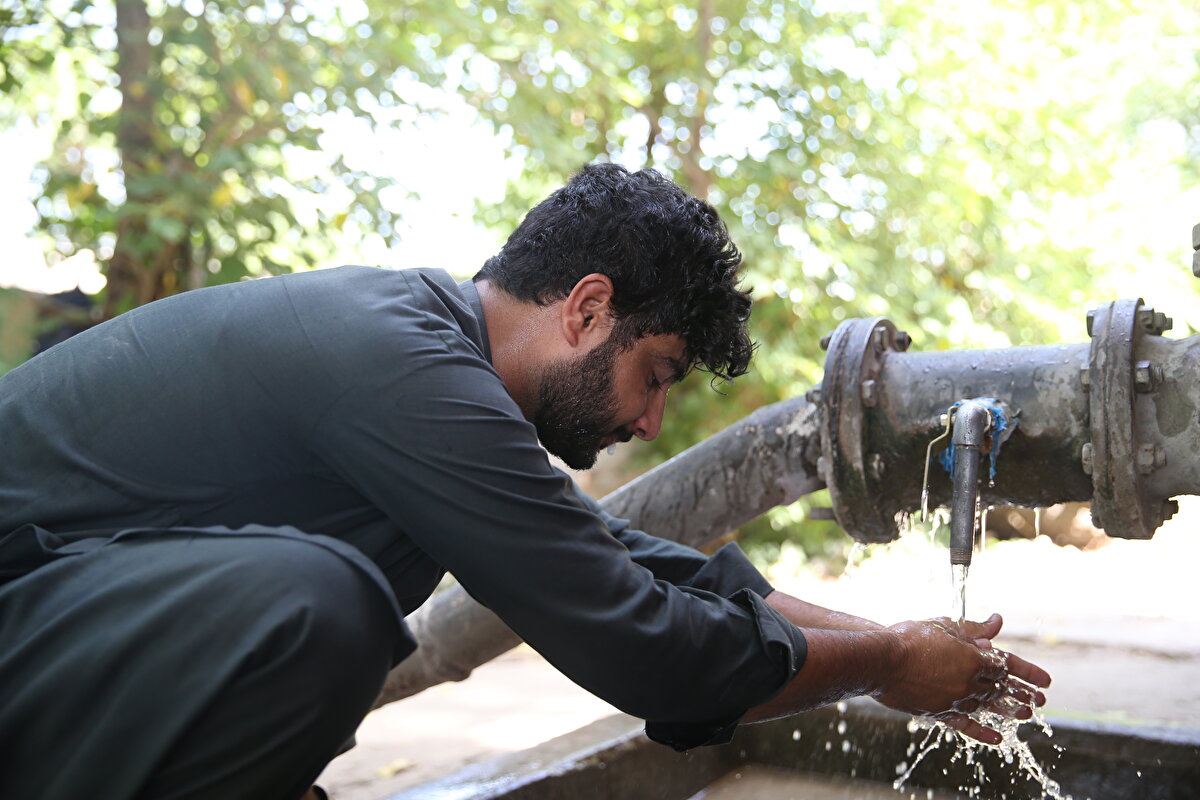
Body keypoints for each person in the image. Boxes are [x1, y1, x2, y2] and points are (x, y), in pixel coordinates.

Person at [0, 163, 1049, 800]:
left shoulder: (431, 371)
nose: (645, 419)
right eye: (655, 376)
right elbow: (640, 637)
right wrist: (883, 662)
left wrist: (902, 645)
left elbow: (634, 564)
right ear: (587, 308)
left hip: (55, 634)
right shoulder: (400, 363)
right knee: (316, 605)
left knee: (317, 598)